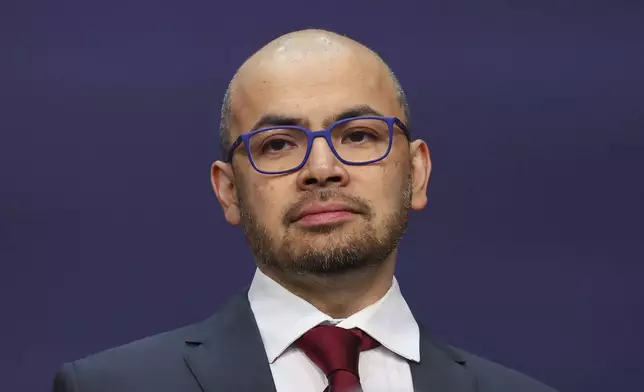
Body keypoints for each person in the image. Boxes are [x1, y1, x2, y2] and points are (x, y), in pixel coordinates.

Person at [53, 29, 557, 392]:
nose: (321, 168)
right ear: (229, 191)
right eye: (278, 144)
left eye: (358, 136)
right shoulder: (109, 385)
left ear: (417, 173)